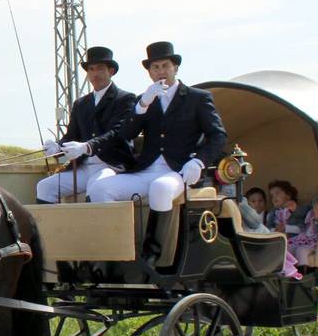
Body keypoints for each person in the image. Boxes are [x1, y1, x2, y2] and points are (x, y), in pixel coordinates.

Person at [59, 41, 227, 263]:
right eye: (155, 68)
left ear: (175, 67)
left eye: (164, 66)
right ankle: (115, 254)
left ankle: (153, 258)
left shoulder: (197, 98)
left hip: (179, 170)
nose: (160, 72)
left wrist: (199, 162)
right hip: (146, 169)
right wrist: (143, 106)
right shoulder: (146, 99)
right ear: (149, 72)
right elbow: (126, 133)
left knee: (160, 188)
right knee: (100, 188)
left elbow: (218, 135)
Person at [36, 46, 136, 204]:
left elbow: (117, 134)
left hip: (111, 165)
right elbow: (72, 136)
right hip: (84, 166)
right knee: (45, 187)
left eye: (100, 69)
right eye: (91, 69)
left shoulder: (125, 99)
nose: (95, 74)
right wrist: (57, 146)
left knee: (96, 186)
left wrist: (86, 147)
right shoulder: (81, 104)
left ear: (111, 71)